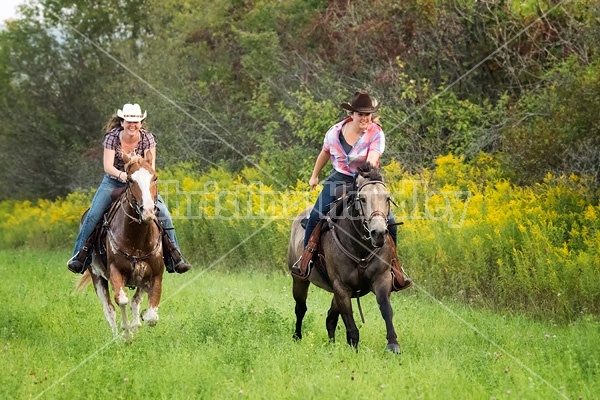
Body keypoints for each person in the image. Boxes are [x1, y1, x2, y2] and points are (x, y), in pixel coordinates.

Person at [291, 91, 409, 289]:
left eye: (368, 114)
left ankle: (394, 267)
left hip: (367, 178)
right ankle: (305, 261)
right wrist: (314, 175)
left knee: (390, 222)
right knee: (316, 216)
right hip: (339, 178)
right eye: (360, 114)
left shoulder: (376, 133)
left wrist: (363, 179)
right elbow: (325, 153)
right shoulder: (335, 132)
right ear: (352, 114)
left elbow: (373, 158)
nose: (364, 118)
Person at [67, 103, 191, 274]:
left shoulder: (148, 138)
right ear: (122, 122)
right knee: (94, 214)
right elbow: (108, 166)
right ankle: (79, 256)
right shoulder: (112, 138)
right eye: (129, 121)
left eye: (136, 121)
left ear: (141, 123)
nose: (133, 125)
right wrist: (123, 176)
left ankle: (175, 258)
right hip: (114, 181)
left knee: (165, 215)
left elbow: (150, 166)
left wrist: (140, 178)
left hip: (141, 182)